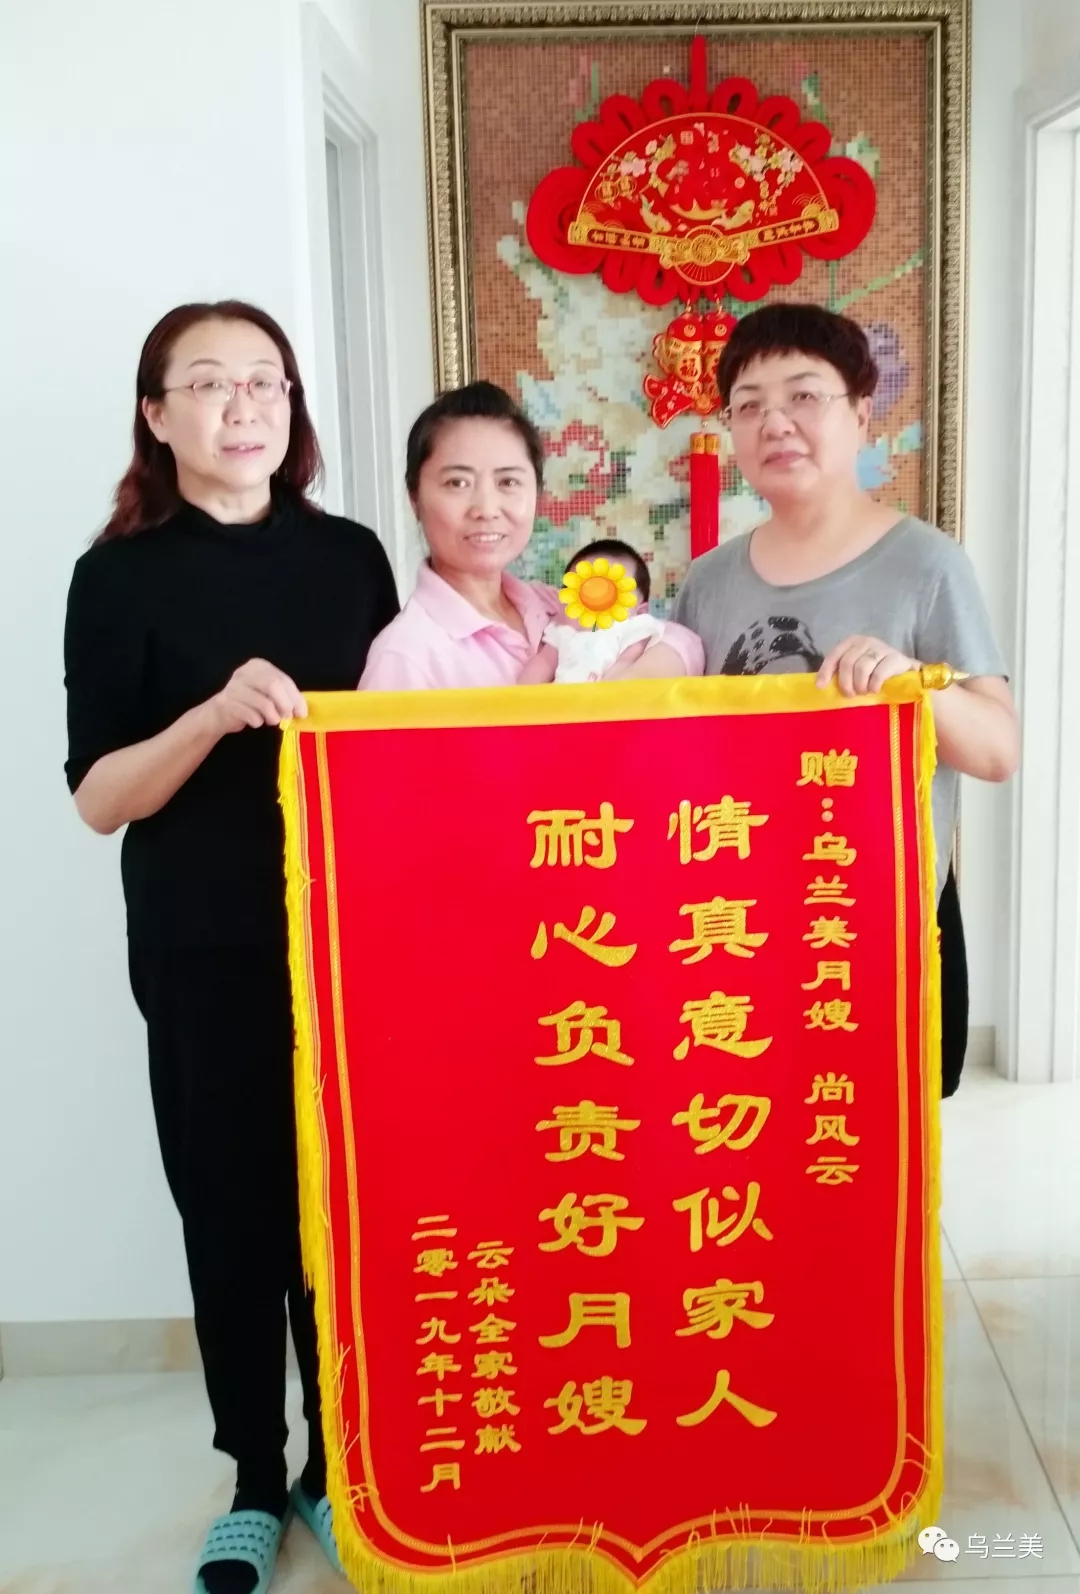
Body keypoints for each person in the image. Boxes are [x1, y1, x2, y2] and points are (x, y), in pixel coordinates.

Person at [63, 300, 399, 1594]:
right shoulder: (118, 576)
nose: (243, 404)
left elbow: (407, 743)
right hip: (204, 947)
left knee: (345, 1215)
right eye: (208, 383)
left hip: (355, 946)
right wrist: (210, 714)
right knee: (233, 1214)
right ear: (158, 415)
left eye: (266, 380)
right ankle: (256, 1476)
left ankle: (342, 1464)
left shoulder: (352, 557)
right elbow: (101, 797)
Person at [673, 302, 1019, 1098]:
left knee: (881, 1145)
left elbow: (999, 750)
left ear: (861, 415)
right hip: (741, 922)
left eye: (803, 395)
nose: (775, 423)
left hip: (882, 922)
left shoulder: (925, 564)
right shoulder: (709, 581)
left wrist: (914, 682)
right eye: (749, 406)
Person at [359, 383, 704, 691]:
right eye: (457, 483)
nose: (486, 509)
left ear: (536, 492)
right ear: (415, 498)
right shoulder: (403, 657)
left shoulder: (551, 604)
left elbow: (681, 640)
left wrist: (629, 682)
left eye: (508, 482)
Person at [522, 538, 670, 683]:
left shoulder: (631, 629)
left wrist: (616, 678)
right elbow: (542, 665)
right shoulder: (563, 632)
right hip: (562, 697)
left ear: (640, 612)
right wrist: (521, 690)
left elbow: (628, 662)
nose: (595, 601)